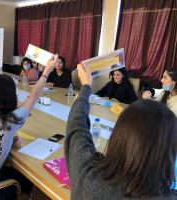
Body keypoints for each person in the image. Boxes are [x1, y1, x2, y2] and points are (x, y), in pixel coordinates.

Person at [65, 63, 177, 199]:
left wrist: (86, 86)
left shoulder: (87, 174)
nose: (161, 80)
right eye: (114, 74)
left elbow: (76, 126)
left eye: (165, 77)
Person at [0, 55, 59, 199]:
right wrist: (47, 70)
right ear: (11, 96)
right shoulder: (10, 120)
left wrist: (4, 141)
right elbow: (34, 95)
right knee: (30, 181)